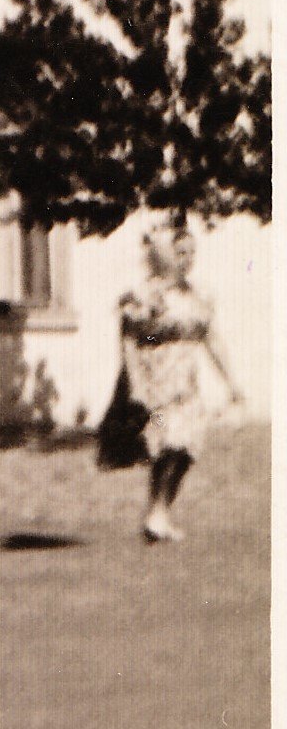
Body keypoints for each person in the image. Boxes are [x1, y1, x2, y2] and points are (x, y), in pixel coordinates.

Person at [113, 223, 240, 544]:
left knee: (187, 449)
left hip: (187, 383)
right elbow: (129, 337)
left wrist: (231, 382)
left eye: (191, 253)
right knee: (167, 442)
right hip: (156, 381)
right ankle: (156, 514)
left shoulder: (198, 297)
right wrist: (135, 382)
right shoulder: (147, 296)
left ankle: (161, 512)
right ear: (166, 255)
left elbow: (211, 339)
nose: (186, 259)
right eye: (180, 252)